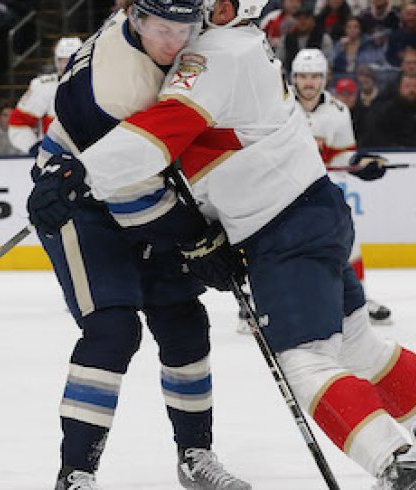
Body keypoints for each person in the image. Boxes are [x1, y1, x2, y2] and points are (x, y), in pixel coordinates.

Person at [56, 0, 416, 488]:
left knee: (305, 360)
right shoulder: (243, 44)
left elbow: (156, 139)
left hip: (282, 230)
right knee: (358, 344)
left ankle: (399, 467)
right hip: (316, 211)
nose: (205, 8)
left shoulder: (216, 55)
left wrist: (77, 171)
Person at [26, 2, 251, 489]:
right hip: (80, 200)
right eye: (161, 29)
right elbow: (128, 196)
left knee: (185, 322)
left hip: (146, 187)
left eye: (185, 29)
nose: (174, 43)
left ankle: (195, 456)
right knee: (113, 330)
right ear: (133, 19)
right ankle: (76, 474)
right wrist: (196, 241)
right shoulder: (114, 87)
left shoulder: (158, 24)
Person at [290, 48, 392, 324]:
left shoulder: (338, 111)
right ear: (293, 78)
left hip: (319, 188)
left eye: (314, 76)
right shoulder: (279, 107)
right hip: (281, 187)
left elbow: (341, 157)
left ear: (324, 78)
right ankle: (253, 301)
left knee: (348, 238)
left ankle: (359, 298)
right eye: (302, 76)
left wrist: (361, 164)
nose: (308, 83)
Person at [7, 36, 82, 156]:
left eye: (72, 60)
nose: (67, 65)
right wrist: (35, 148)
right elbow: (18, 124)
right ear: (57, 61)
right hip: (57, 160)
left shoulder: (100, 86)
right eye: (63, 60)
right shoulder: (44, 87)